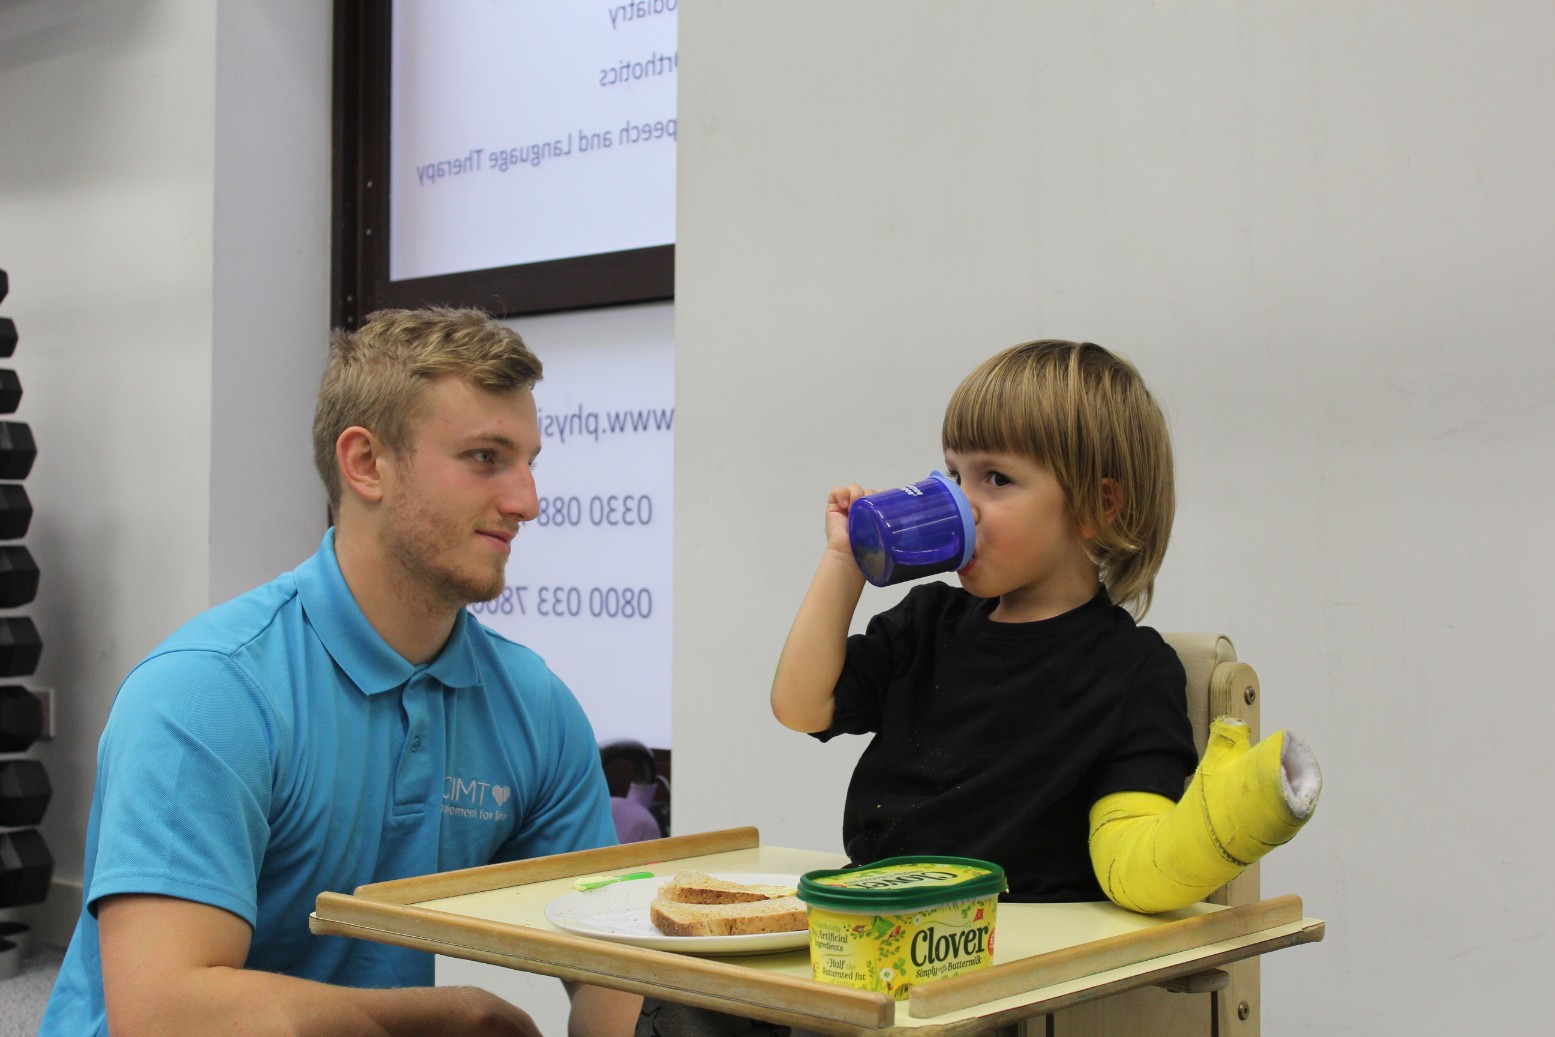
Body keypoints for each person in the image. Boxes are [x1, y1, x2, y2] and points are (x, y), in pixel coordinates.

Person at [41, 308, 643, 1036]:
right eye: (486, 457)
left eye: (529, 462)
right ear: (365, 463)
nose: (527, 502)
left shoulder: (533, 705)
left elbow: (611, 964)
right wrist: (446, 1014)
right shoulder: (208, 692)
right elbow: (168, 1012)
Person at [771, 339, 1319, 909]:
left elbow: (1135, 852)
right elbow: (800, 707)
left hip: (1028, 955)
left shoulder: (1131, 671)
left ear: (1097, 507)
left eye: (996, 479)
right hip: (882, 922)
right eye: (954, 474)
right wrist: (845, 561)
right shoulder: (928, 621)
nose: (961, 503)